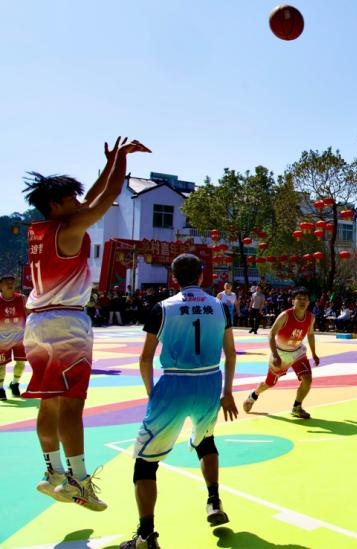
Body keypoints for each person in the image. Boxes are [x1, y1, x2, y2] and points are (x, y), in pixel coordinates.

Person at [22, 137, 150, 511]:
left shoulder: (43, 229)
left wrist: (109, 164)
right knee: (72, 405)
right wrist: (121, 161)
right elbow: (105, 199)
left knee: (49, 403)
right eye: (71, 199)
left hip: (38, 323)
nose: (79, 203)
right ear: (55, 205)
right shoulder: (70, 228)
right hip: (66, 325)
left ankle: (53, 473)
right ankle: (78, 481)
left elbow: (92, 199)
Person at [120, 254, 238, 549]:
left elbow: (145, 359)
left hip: (174, 383)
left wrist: (152, 393)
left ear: (173, 278)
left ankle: (146, 535)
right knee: (206, 441)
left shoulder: (162, 308)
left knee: (145, 463)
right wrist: (227, 392)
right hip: (209, 381)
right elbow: (231, 353)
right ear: (202, 275)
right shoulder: (221, 307)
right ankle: (214, 500)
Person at [243, 288, 319, 419]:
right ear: (293, 301)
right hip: (280, 353)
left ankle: (297, 407)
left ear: (308, 302)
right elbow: (271, 334)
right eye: (299, 299)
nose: (302, 301)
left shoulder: (311, 318)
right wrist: (275, 355)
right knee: (269, 383)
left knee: (307, 379)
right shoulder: (285, 315)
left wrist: (314, 353)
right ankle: (253, 396)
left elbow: (310, 334)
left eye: (305, 299)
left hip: (297, 352)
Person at [0, 274, 29, 399]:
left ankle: (15, 384)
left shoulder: (22, 299)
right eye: (6, 282)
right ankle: (0, 388)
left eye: (12, 282)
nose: (10, 284)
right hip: (2, 339)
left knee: (21, 362)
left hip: (20, 337)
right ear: (0, 286)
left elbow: (31, 314)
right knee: (1, 364)